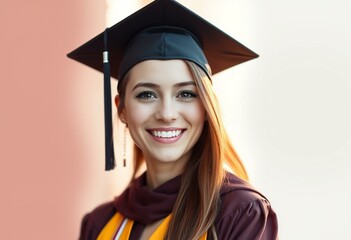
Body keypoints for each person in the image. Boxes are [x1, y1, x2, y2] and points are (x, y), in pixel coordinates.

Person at [68, 0, 278, 239]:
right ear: (122, 109)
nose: (167, 113)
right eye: (147, 94)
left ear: (206, 106)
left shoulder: (239, 212)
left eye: (186, 94)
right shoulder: (99, 224)